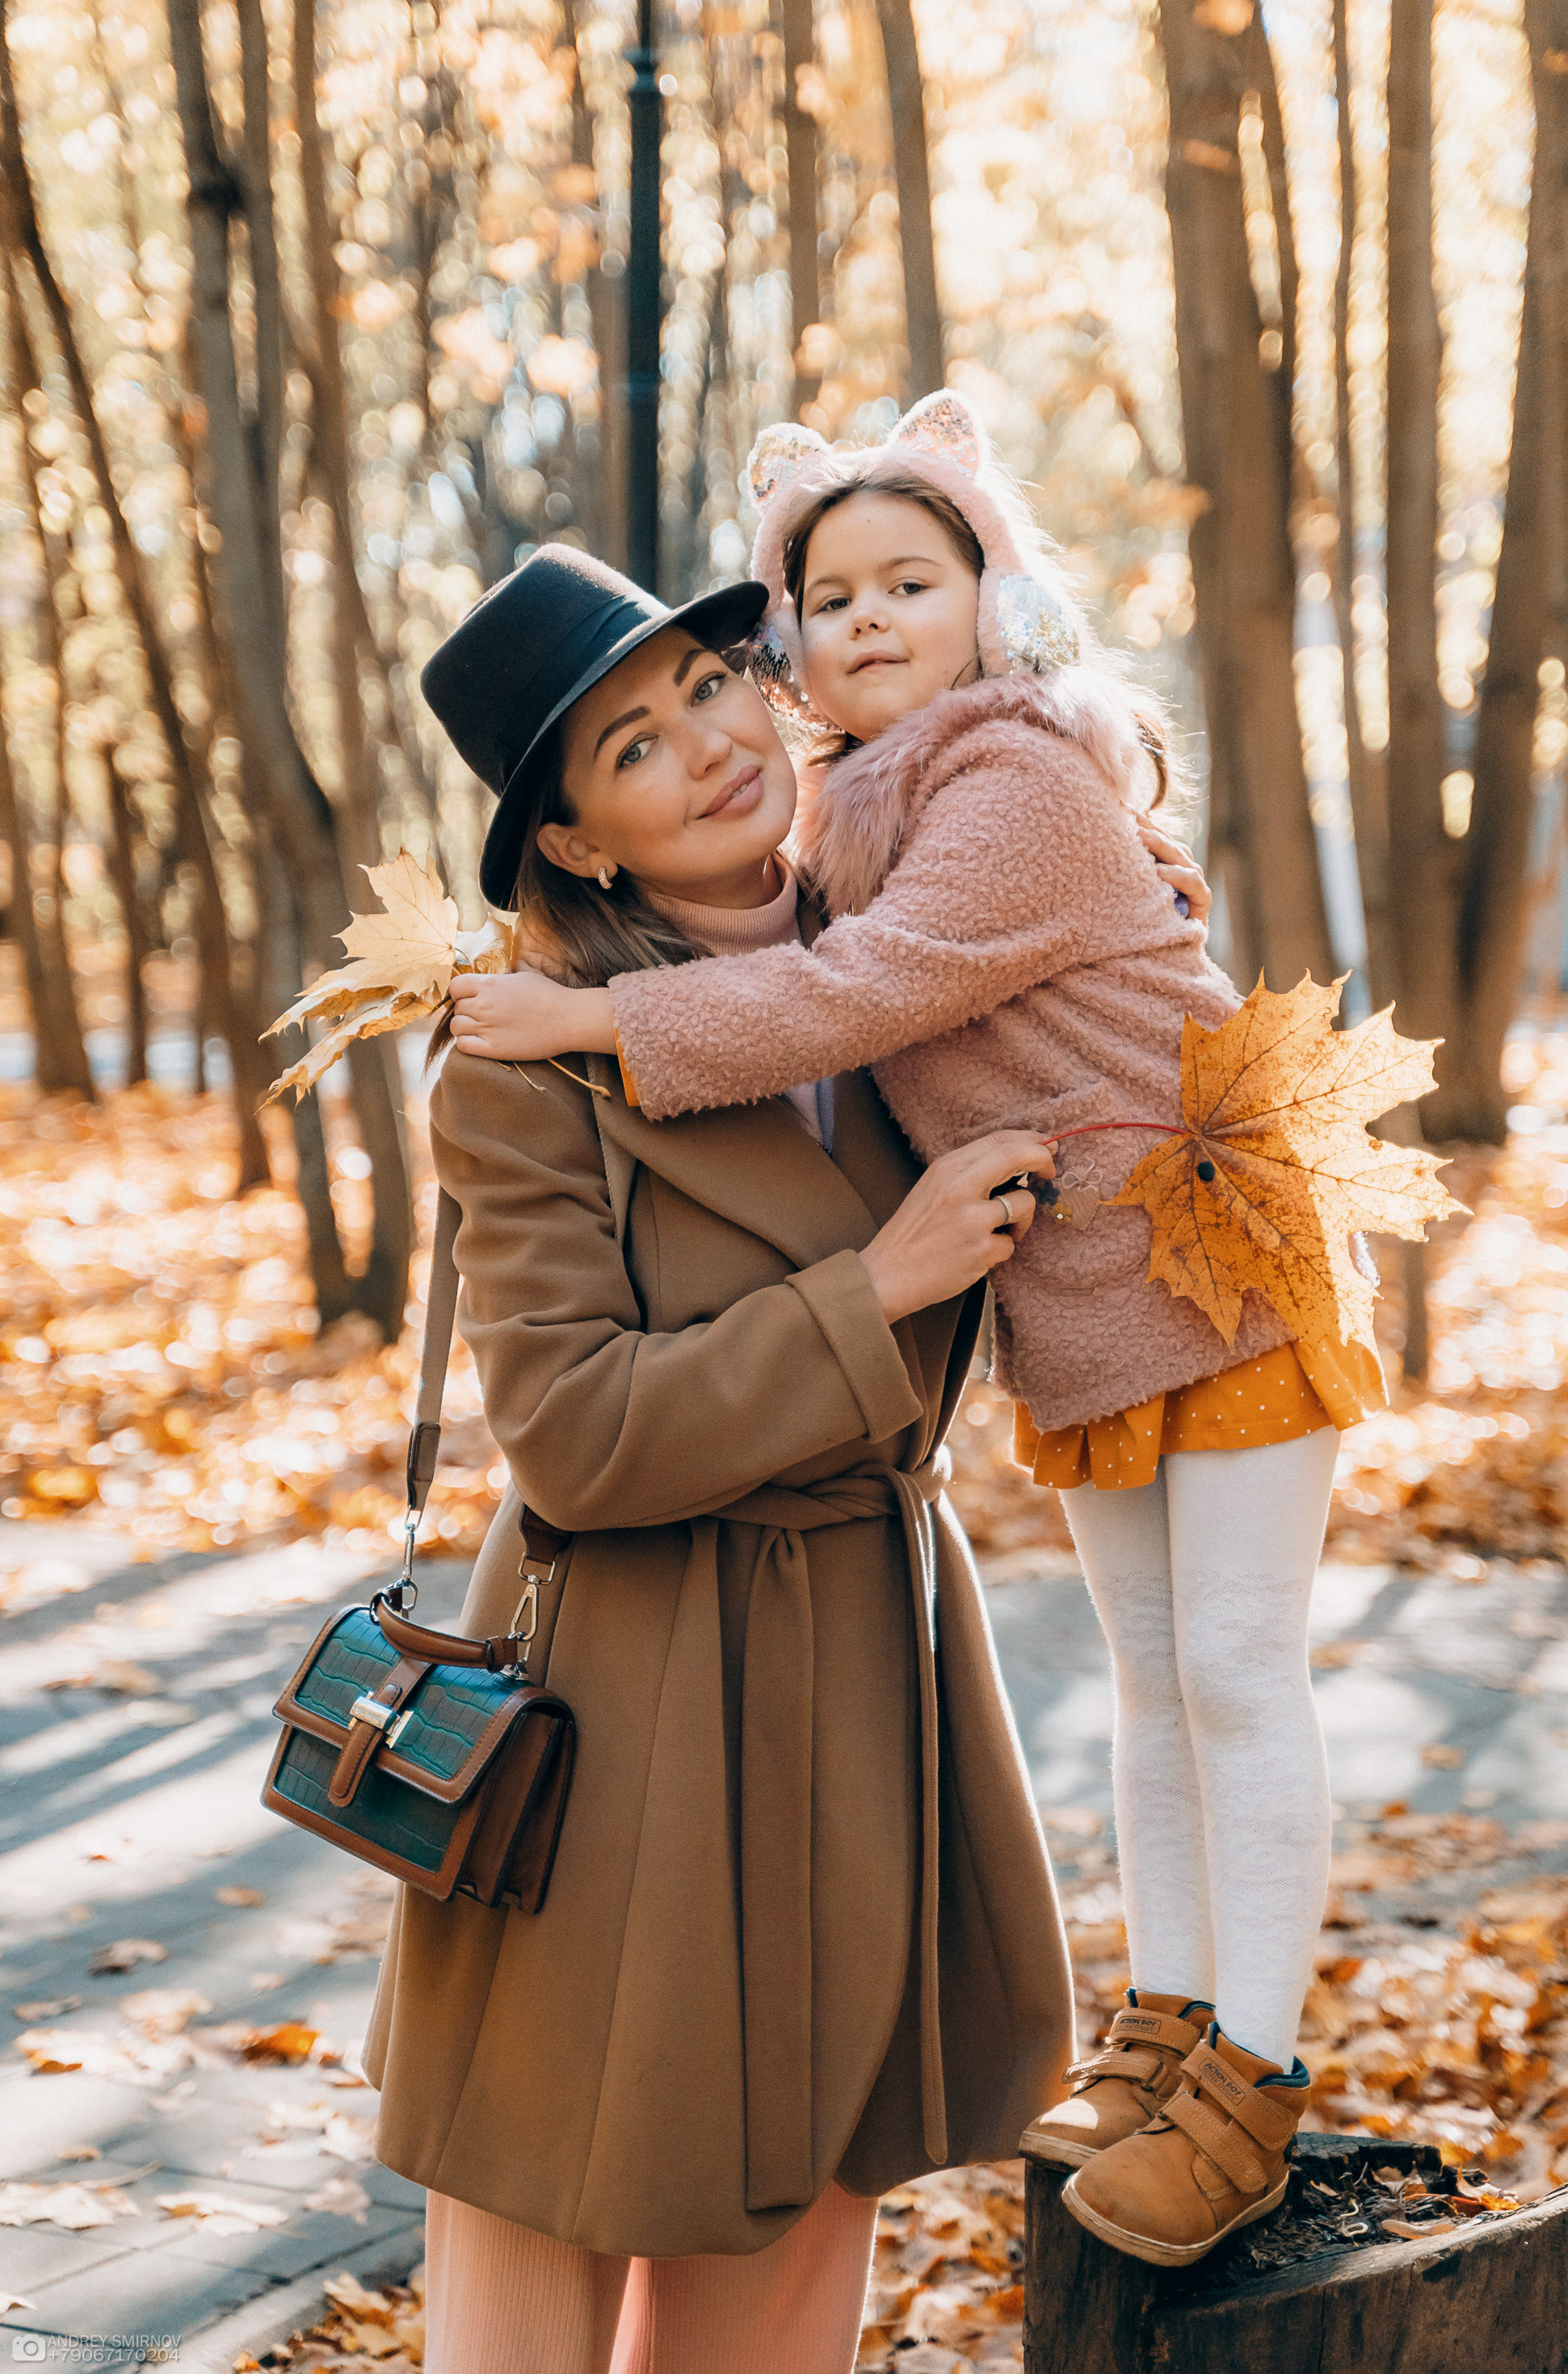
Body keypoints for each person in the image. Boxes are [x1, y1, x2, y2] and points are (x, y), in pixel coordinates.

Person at [445, 392, 1392, 2271]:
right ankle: (1170, 2031)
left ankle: (1253, 2085)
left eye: (915, 578)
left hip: (1215, 1258)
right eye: (827, 595)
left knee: (1228, 1668)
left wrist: (598, 1024)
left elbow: (862, 993)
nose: (867, 620)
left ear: (993, 593)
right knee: (1150, 1678)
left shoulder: (1011, 781)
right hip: (1093, 1305)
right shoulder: (873, 811)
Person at [363, 542, 1076, 2374]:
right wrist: (879, 1284)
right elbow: (577, 1440)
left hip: (859, 1677)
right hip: (618, 1725)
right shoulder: (527, 1063)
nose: (704, 745)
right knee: (544, 2235)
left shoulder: (907, 968)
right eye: (629, 747)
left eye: (705, 688)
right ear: (581, 842)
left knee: (786, 2257)